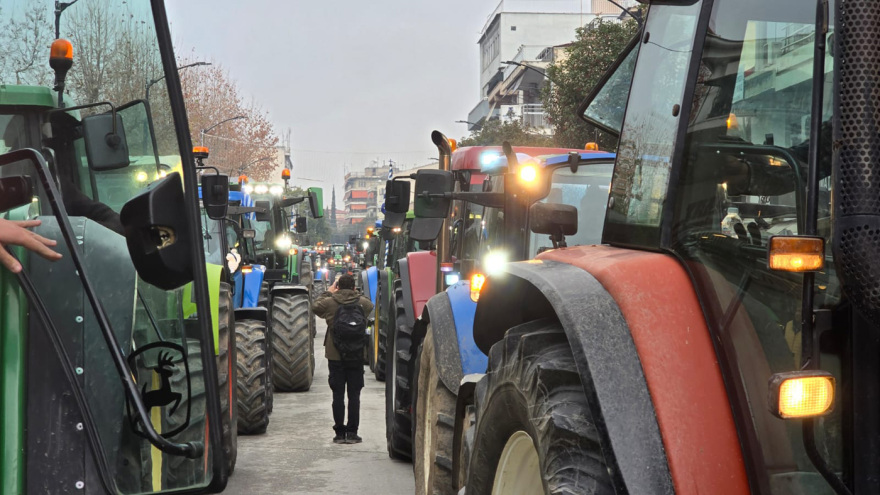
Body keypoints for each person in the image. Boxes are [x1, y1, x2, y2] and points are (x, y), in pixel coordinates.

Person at [311, 274, 373, 444]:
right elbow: (370, 304)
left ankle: (339, 433)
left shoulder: (330, 303)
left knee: (337, 395)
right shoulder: (361, 303)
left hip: (335, 355)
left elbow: (315, 307)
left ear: (337, 287)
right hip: (356, 355)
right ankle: (353, 433)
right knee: (354, 395)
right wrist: (357, 294)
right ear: (354, 288)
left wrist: (328, 292)